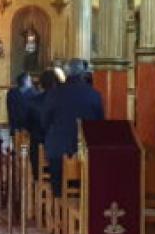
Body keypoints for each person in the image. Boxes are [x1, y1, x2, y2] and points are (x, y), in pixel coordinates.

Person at [42, 58, 104, 196]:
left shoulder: (54, 94)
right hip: (85, 152)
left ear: (65, 73)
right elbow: (100, 125)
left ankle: (57, 206)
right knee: (85, 191)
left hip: (58, 150)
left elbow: (45, 121)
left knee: (58, 190)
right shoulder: (94, 95)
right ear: (83, 74)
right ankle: (83, 208)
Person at [26, 69, 61, 177]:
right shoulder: (64, 101)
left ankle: (37, 183)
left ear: (41, 84)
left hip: (38, 148)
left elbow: (28, 125)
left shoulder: (33, 101)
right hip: (59, 151)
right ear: (56, 82)